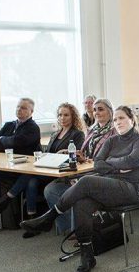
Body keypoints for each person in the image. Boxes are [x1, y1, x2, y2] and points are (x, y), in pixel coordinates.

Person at [22, 106, 139, 272]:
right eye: (115, 119)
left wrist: (111, 162)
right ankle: (87, 256)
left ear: (132, 119)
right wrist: (118, 166)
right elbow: (98, 163)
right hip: (110, 186)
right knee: (82, 202)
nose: (118, 122)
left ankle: (50, 217)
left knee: (86, 181)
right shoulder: (111, 141)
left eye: (121, 118)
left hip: (132, 189)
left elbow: (132, 161)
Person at [0, 103, 85, 219]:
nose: (62, 118)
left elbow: (75, 155)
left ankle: (5, 200)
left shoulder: (78, 134)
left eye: (66, 115)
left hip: (62, 171)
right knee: (31, 181)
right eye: (60, 115)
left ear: (73, 117)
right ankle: (32, 217)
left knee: (29, 175)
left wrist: (61, 153)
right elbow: (48, 152)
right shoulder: (55, 134)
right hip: (49, 168)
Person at [41, 98, 116, 237]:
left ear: (110, 112)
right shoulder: (92, 130)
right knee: (51, 189)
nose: (96, 112)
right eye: (95, 110)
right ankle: (69, 228)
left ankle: (79, 229)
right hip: (86, 171)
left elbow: (113, 158)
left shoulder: (115, 131)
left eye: (101, 109)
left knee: (74, 192)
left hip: (103, 174)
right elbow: (86, 153)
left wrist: (92, 161)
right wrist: (78, 155)